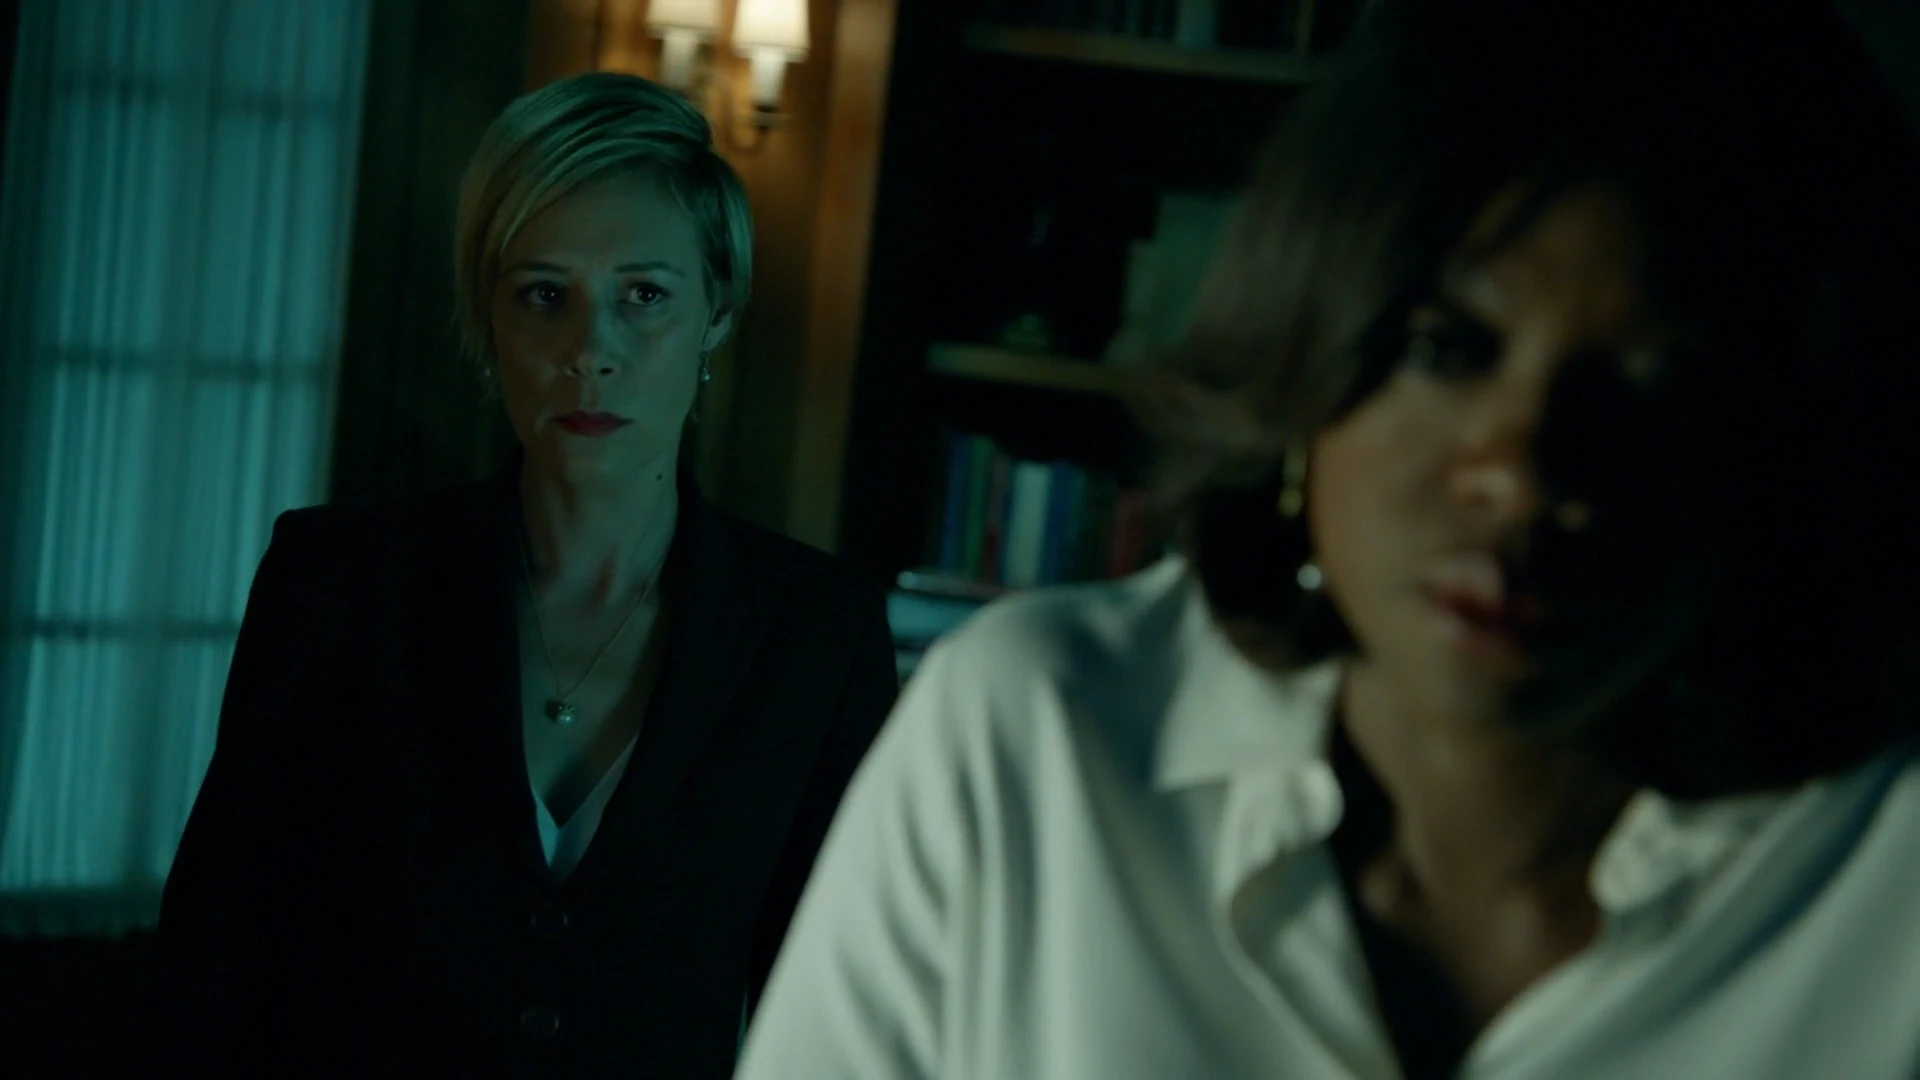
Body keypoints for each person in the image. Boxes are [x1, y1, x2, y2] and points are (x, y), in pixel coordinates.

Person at [736, 2, 1920, 1077]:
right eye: (1448, 350)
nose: (1521, 477)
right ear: (1304, 359)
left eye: (1661, 386)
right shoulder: (1034, 745)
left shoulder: (1884, 870)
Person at [149, 72, 897, 1075]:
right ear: (489, 319)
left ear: (717, 311)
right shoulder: (338, 586)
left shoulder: (817, 635)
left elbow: (846, 1012)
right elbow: (215, 962)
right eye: (545, 295)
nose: (591, 350)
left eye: (644, 296)